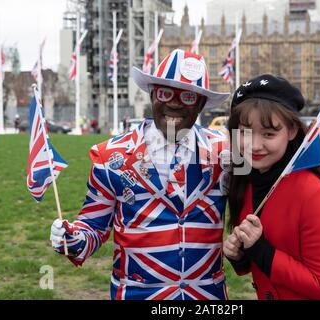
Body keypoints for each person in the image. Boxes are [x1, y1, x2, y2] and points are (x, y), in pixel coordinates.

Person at [50, 49, 231, 300]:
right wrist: (72, 238)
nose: (174, 103)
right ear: (152, 94)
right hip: (139, 294)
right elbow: (94, 225)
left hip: (206, 297)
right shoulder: (111, 157)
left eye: (187, 96)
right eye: (165, 92)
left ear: (200, 103)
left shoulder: (226, 152)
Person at [223, 74, 320, 300]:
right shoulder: (245, 181)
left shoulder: (311, 191)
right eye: (246, 133)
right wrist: (239, 255)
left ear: (292, 131)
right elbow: (257, 264)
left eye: (269, 133)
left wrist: (259, 249)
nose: (255, 145)